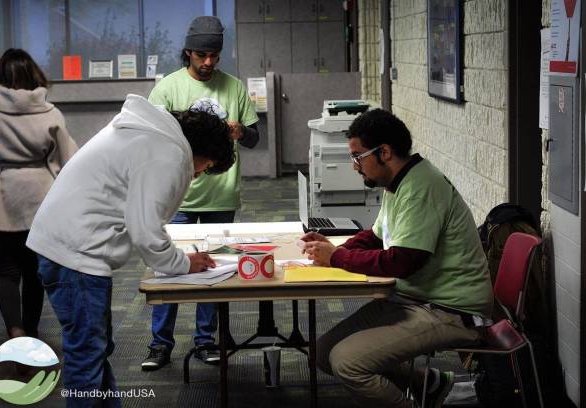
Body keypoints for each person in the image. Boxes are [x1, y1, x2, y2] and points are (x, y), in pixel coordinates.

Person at [26, 96, 235, 408]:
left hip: (67, 246)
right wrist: (183, 263)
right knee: (86, 357)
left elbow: (142, 221)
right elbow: (145, 232)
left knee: (95, 351)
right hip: (76, 254)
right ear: (202, 151)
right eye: (206, 167)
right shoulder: (167, 154)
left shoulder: (150, 134)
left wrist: (174, 258)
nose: (199, 174)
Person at [300, 109, 494, 408]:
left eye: (358, 157)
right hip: (413, 298)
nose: (355, 167)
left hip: (450, 309)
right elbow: (376, 236)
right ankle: (429, 386)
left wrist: (338, 257)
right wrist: (335, 248)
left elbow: (402, 262)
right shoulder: (399, 182)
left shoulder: (420, 188)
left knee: (348, 363)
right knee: (323, 351)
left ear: (385, 152)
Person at [143, 15, 259, 370]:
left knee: (214, 269)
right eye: (202, 55)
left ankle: (205, 341)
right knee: (169, 269)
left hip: (220, 196)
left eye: (215, 56)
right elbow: (150, 138)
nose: (209, 62)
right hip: (177, 196)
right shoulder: (167, 89)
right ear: (188, 52)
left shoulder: (235, 88)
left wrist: (241, 133)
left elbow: (256, 138)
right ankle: (159, 344)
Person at [0, 48, 78, 340]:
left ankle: (14, 330)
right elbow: (70, 160)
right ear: (34, 75)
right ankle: (32, 329)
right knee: (34, 272)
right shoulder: (50, 113)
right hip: (41, 198)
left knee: (5, 272)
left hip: (1, 199)